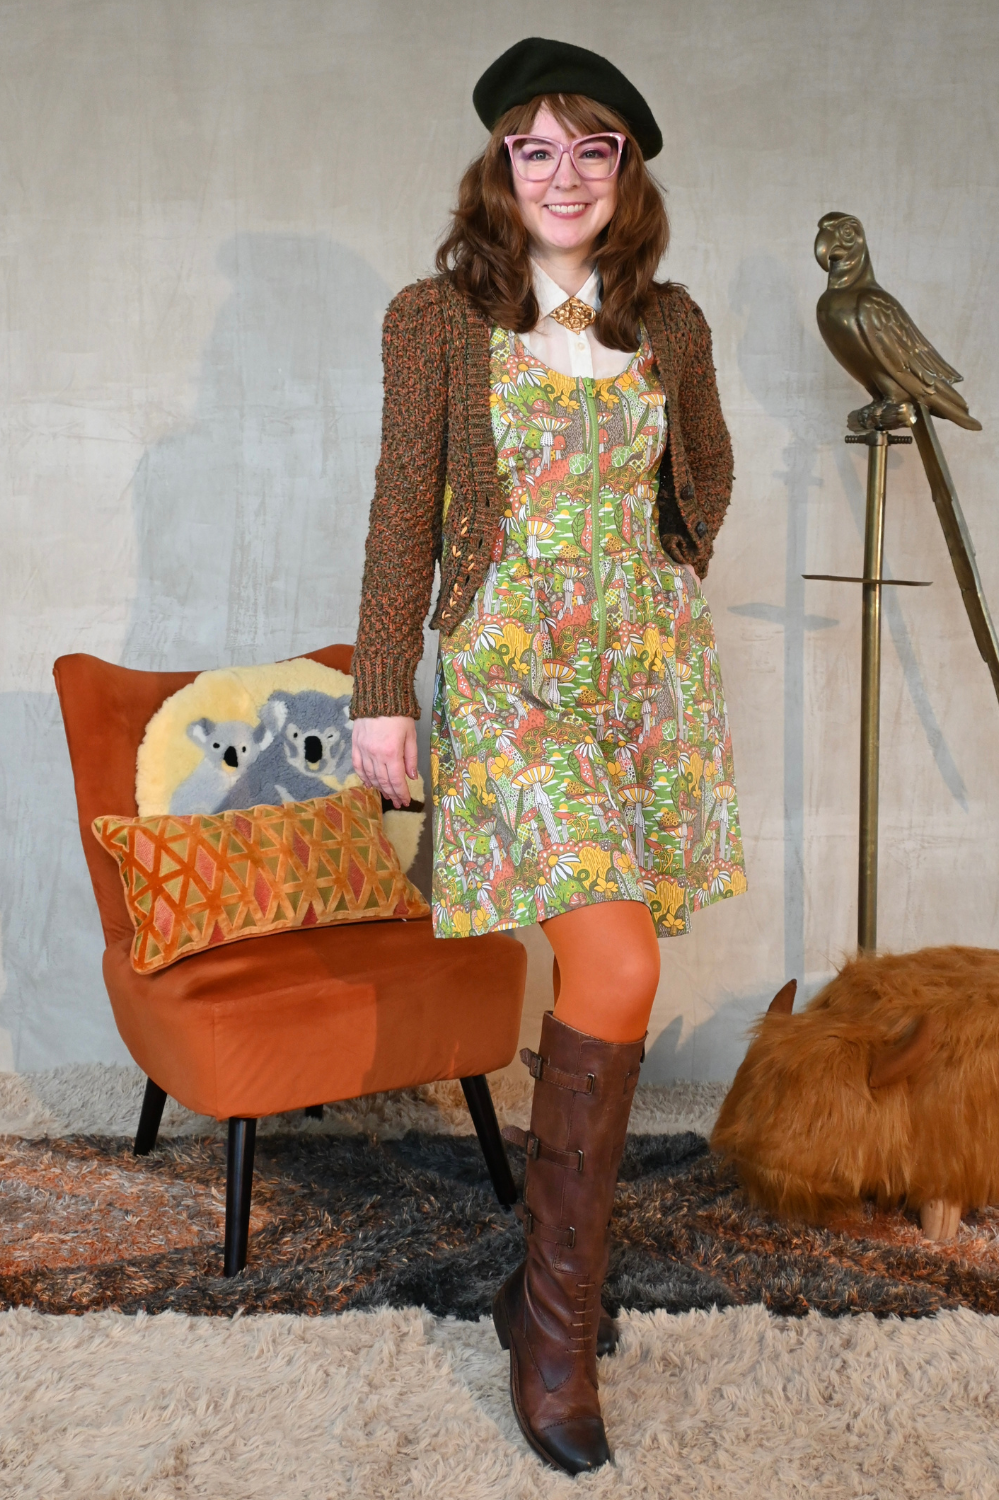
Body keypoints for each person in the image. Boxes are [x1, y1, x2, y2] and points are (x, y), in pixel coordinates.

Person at [350, 36, 745, 1476]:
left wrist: (666, 575)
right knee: (622, 960)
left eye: (594, 150)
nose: (564, 174)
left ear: (627, 171)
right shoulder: (438, 320)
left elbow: (706, 465)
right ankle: (559, 1341)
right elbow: (405, 510)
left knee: (603, 965)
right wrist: (385, 686)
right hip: (514, 671)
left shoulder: (673, 322)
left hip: (642, 682)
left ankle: (542, 1289)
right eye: (537, 149)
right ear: (500, 168)